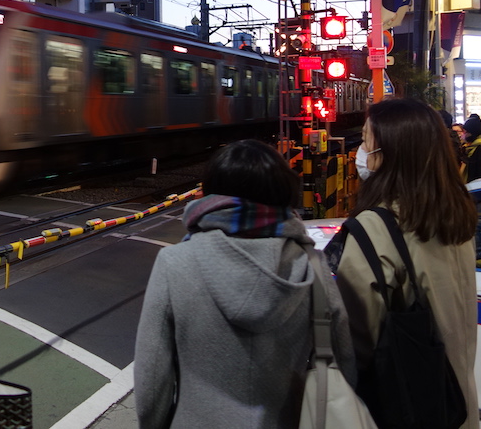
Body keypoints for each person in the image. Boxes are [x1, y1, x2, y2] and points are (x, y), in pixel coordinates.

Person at [134, 140, 356, 428]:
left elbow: (152, 381)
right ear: (283, 193)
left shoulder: (175, 263)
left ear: (211, 194)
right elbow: (344, 360)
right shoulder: (312, 265)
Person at [329, 99, 479, 428]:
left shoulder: (376, 227)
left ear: (389, 152)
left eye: (366, 141)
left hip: (404, 409)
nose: (361, 152)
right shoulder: (456, 217)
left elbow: (354, 344)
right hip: (457, 403)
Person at [462, 116, 481, 182]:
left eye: (465, 132)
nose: (463, 134)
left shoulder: (480, 151)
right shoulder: (466, 148)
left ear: (472, 133)